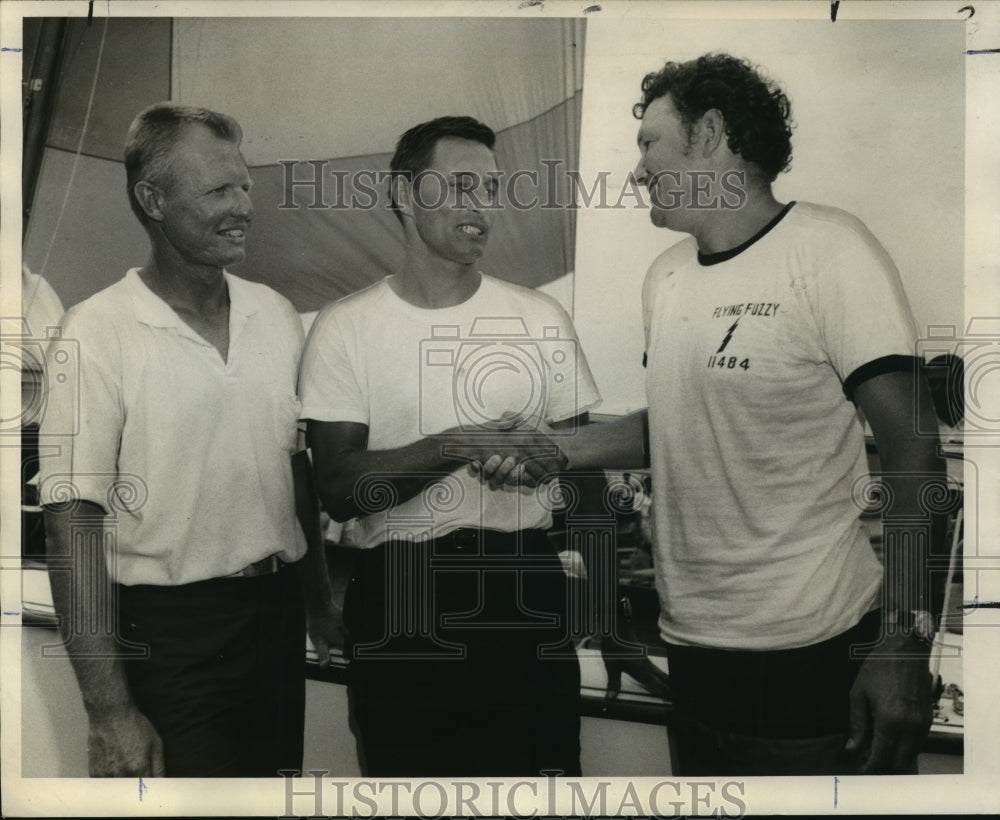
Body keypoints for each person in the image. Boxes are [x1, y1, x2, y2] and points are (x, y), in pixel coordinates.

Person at [555, 53, 946, 775]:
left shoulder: (830, 250)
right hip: (694, 653)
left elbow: (914, 449)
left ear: (709, 134)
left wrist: (903, 643)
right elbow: (679, 420)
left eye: (649, 143)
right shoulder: (664, 277)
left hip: (814, 654)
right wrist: (555, 452)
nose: (637, 170)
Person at [38, 103, 339, 777]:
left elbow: (295, 471)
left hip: (276, 614)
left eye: (244, 187)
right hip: (169, 634)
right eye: (217, 191)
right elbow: (70, 524)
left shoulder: (277, 316)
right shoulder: (96, 332)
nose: (242, 207)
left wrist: (318, 602)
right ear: (153, 199)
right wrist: (110, 712)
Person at [298, 116, 601, 776]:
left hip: (526, 586)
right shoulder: (344, 329)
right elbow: (340, 490)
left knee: (541, 789)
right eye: (462, 185)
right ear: (405, 195)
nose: (482, 206)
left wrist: (544, 466)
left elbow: (587, 470)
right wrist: (464, 441)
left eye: (492, 190)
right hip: (401, 597)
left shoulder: (540, 319)